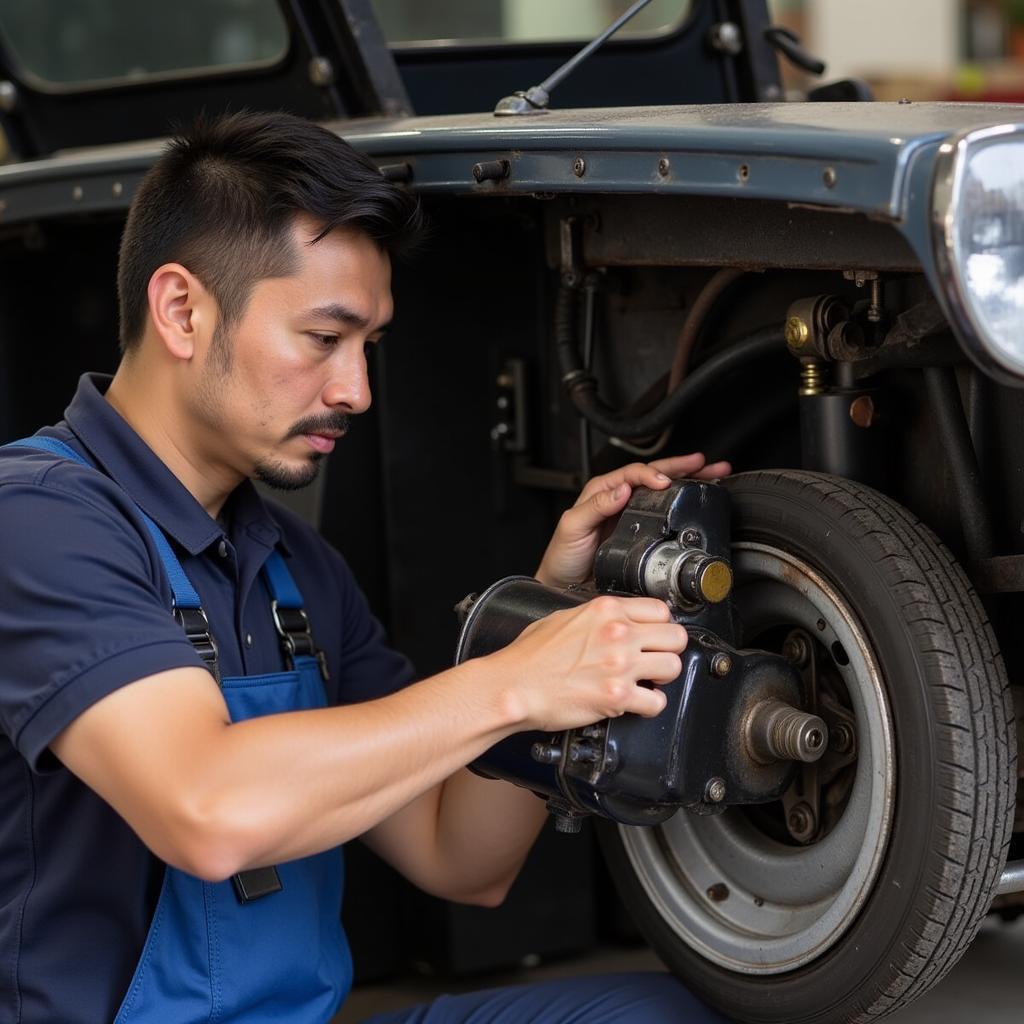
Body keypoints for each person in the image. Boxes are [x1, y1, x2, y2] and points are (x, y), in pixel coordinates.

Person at [0, 110, 730, 1024]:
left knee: (669, 1016)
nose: (357, 392)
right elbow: (207, 809)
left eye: (370, 347)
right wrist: (514, 682)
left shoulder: (296, 566)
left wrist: (560, 609)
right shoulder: (35, 518)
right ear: (182, 310)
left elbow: (463, 859)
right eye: (322, 338)